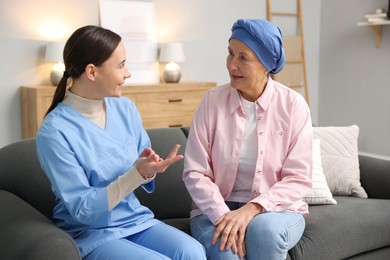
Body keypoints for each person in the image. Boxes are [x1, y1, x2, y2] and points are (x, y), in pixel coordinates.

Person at [36, 25, 206, 260]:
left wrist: (148, 169)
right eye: (121, 65)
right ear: (92, 72)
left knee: (193, 251)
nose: (128, 73)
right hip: (90, 232)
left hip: (134, 219)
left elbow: (141, 166)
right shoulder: (54, 132)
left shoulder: (125, 109)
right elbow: (83, 209)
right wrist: (136, 174)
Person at [183, 19, 313, 260]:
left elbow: (299, 177)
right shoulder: (212, 102)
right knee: (226, 252)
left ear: (266, 64)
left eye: (243, 58)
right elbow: (195, 172)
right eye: (230, 53)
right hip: (216, 208)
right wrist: (226, 217)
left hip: (276, 210)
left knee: (264, 232)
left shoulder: (293, 106)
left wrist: (252, 209)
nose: (232, 64)